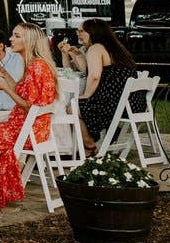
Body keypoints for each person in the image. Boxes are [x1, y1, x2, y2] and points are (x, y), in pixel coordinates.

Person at [0, 23, 57, 208]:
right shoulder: (34, 64)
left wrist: (4, 88)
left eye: (17, 36)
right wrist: (3, 73)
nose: (11, 39)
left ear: (30, 41)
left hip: (30, 130)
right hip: (31, 126)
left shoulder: (36, 67)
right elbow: (23, 93)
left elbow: (28, 106)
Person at [60, 19, 143, 152]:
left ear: (94, 32)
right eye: (77, 31)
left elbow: (94, 76)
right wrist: (75, 55)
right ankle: (107, 134)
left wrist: (86, 95)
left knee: (72, 107)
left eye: (82, 31)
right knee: (79, 104)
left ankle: (89, 145)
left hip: (114, 103)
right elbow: (85, 71)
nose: (78, 33)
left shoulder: (96, 48)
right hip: (132, 102)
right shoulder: (114, 48)